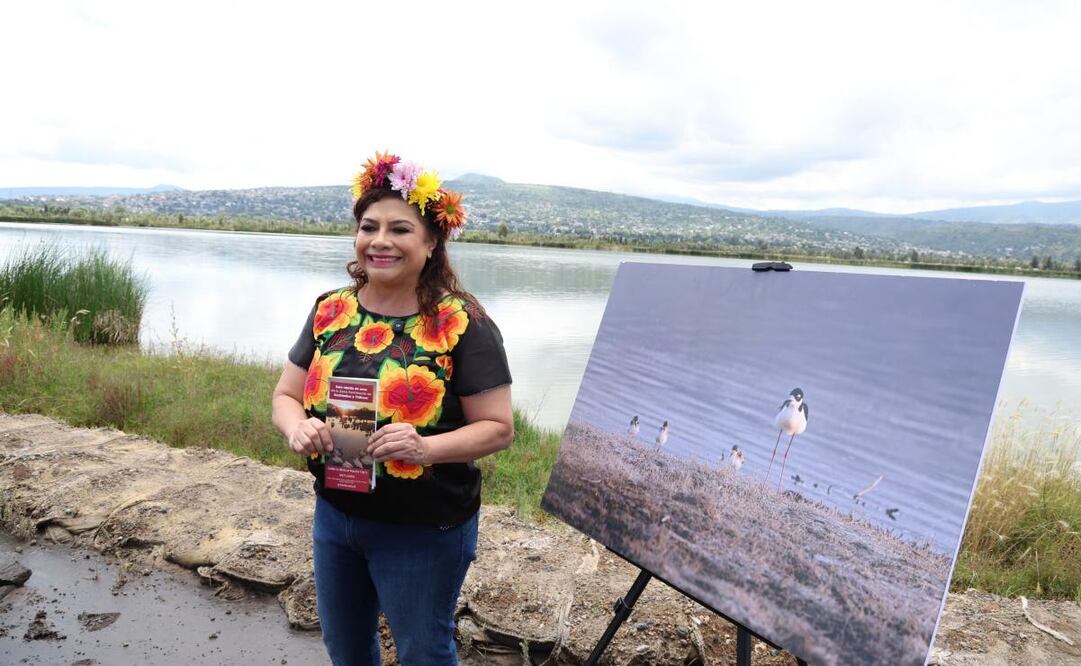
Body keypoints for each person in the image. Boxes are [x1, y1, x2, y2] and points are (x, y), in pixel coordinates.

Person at [271, 151, 514, 665]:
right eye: (369, 226)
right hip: (336, 514)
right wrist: (297, 429)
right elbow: (285, 396)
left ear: (430, 243)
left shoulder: (461, 323)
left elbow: (497, 428)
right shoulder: (330, 310)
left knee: (424, 652)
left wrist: (425, 447)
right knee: (347, 648)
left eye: (400, 229)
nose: (380, 240)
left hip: (423, 528)